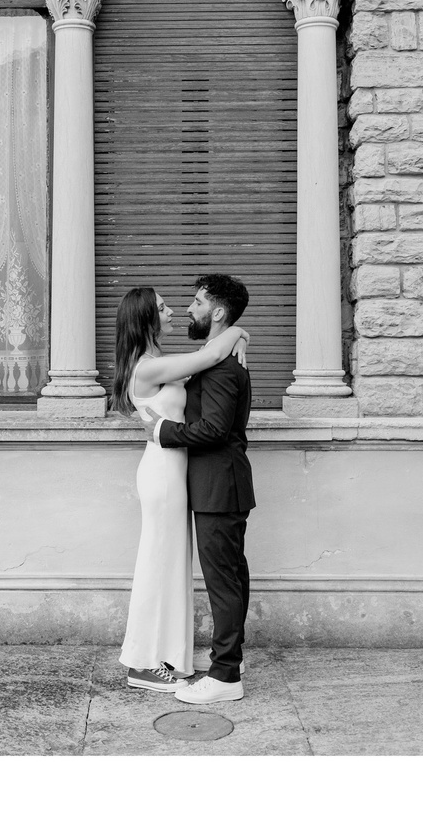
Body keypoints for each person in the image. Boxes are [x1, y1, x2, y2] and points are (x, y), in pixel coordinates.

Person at [113, 286, 248, 693]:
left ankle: (166, 657)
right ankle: (141, 663)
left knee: (172, 565)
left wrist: (239, 333)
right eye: (162, 308)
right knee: (157, 563)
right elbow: (209, 355)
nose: (173, 310)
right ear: (146, 320)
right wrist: (239, 332)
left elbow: (208, 359)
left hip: (177, 472)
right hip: (162, 473)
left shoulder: (162, 362)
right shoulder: (146, 367)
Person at [155, 274, 259, 706]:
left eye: (198, 303)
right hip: (221, 485)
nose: (190, 309)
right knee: (231, 577)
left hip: (220, 485)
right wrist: (239, 332)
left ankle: (224, 676)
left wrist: (163, 430)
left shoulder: (220, 368)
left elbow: (214, 430)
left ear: (217, 313)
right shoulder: (219, 357)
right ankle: (226, 666)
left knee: (224, 582)